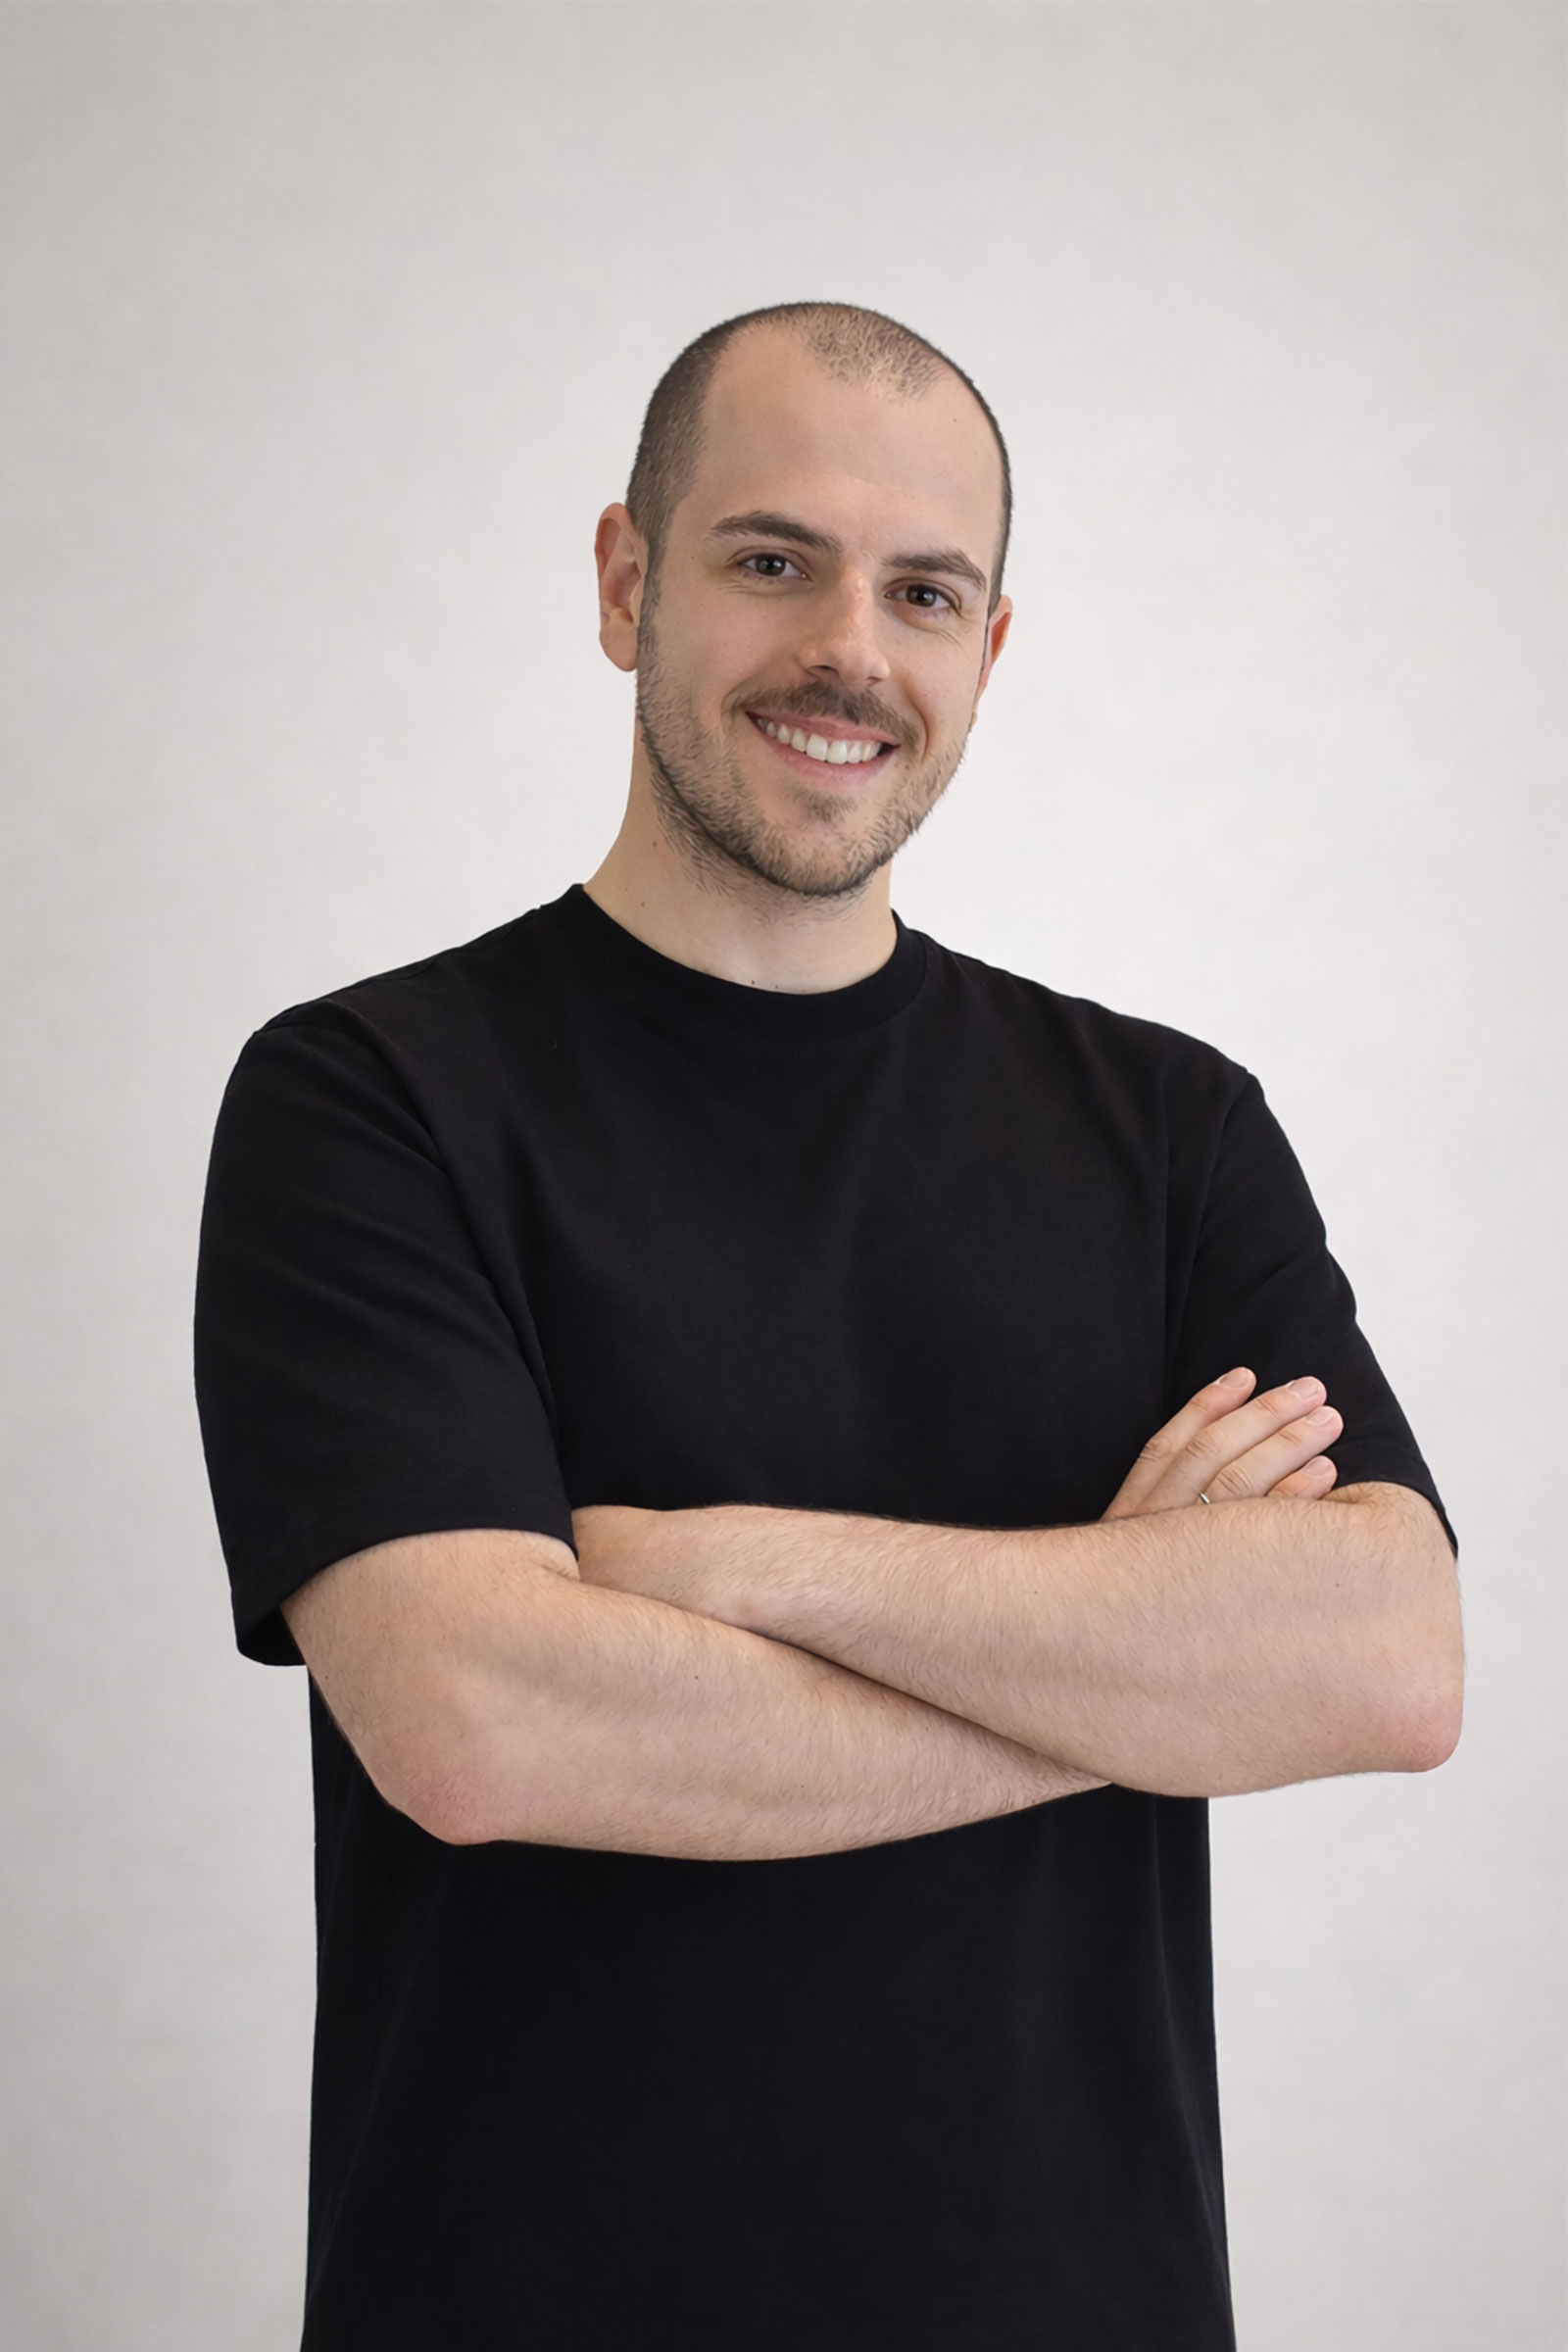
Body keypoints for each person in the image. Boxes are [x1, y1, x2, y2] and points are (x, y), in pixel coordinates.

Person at [194, 302, 1462, 2351]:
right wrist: (1135, 1662)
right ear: (627, 582)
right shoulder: (369, 1100)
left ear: (989, 650)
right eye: (771, 560)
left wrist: (736, 1570)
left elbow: (1386, 1661)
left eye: (922, 592)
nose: (848, 652)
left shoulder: (1169, 1130)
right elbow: (479, 1726)